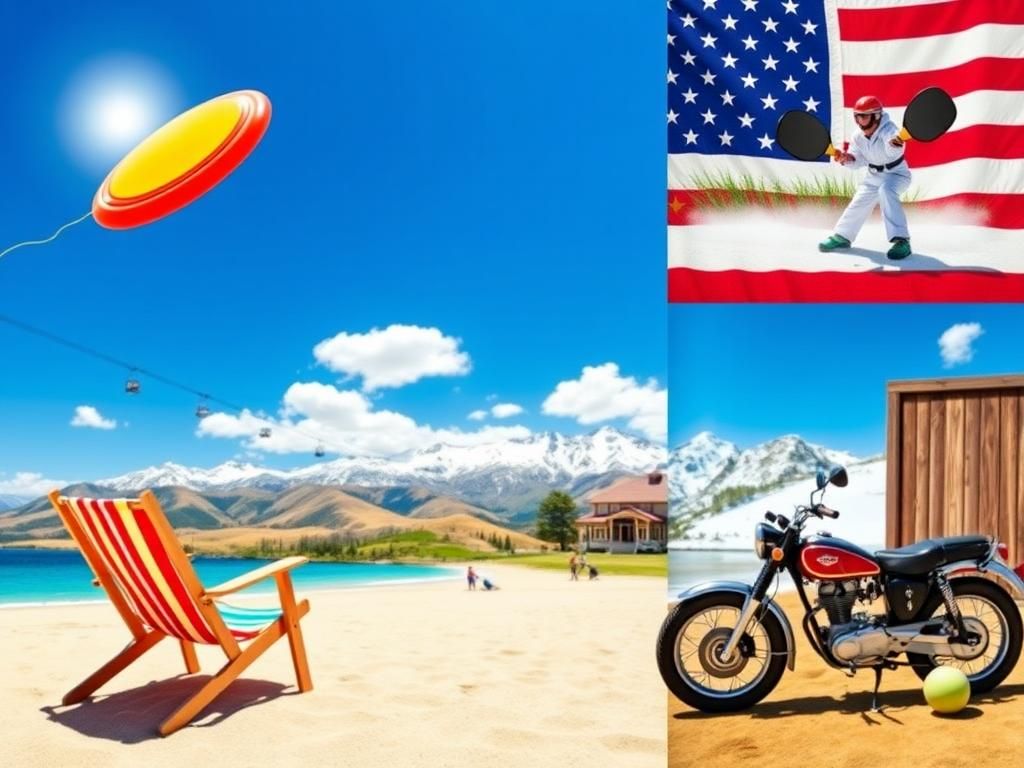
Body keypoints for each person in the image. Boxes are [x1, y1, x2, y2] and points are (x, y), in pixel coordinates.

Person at [818, 95, 912, 260]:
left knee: (886, 191)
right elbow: (858, 160)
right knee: (858, 202)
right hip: (873, 176)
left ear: (876, 116)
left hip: (896, 174)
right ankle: (842, 236)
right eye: (858, 116)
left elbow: (894, 152)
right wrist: (846, 158)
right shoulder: (858, 136)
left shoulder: (890, 130)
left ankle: (902, 241)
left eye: (864, 116)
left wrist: (894, 143)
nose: (860, 121)